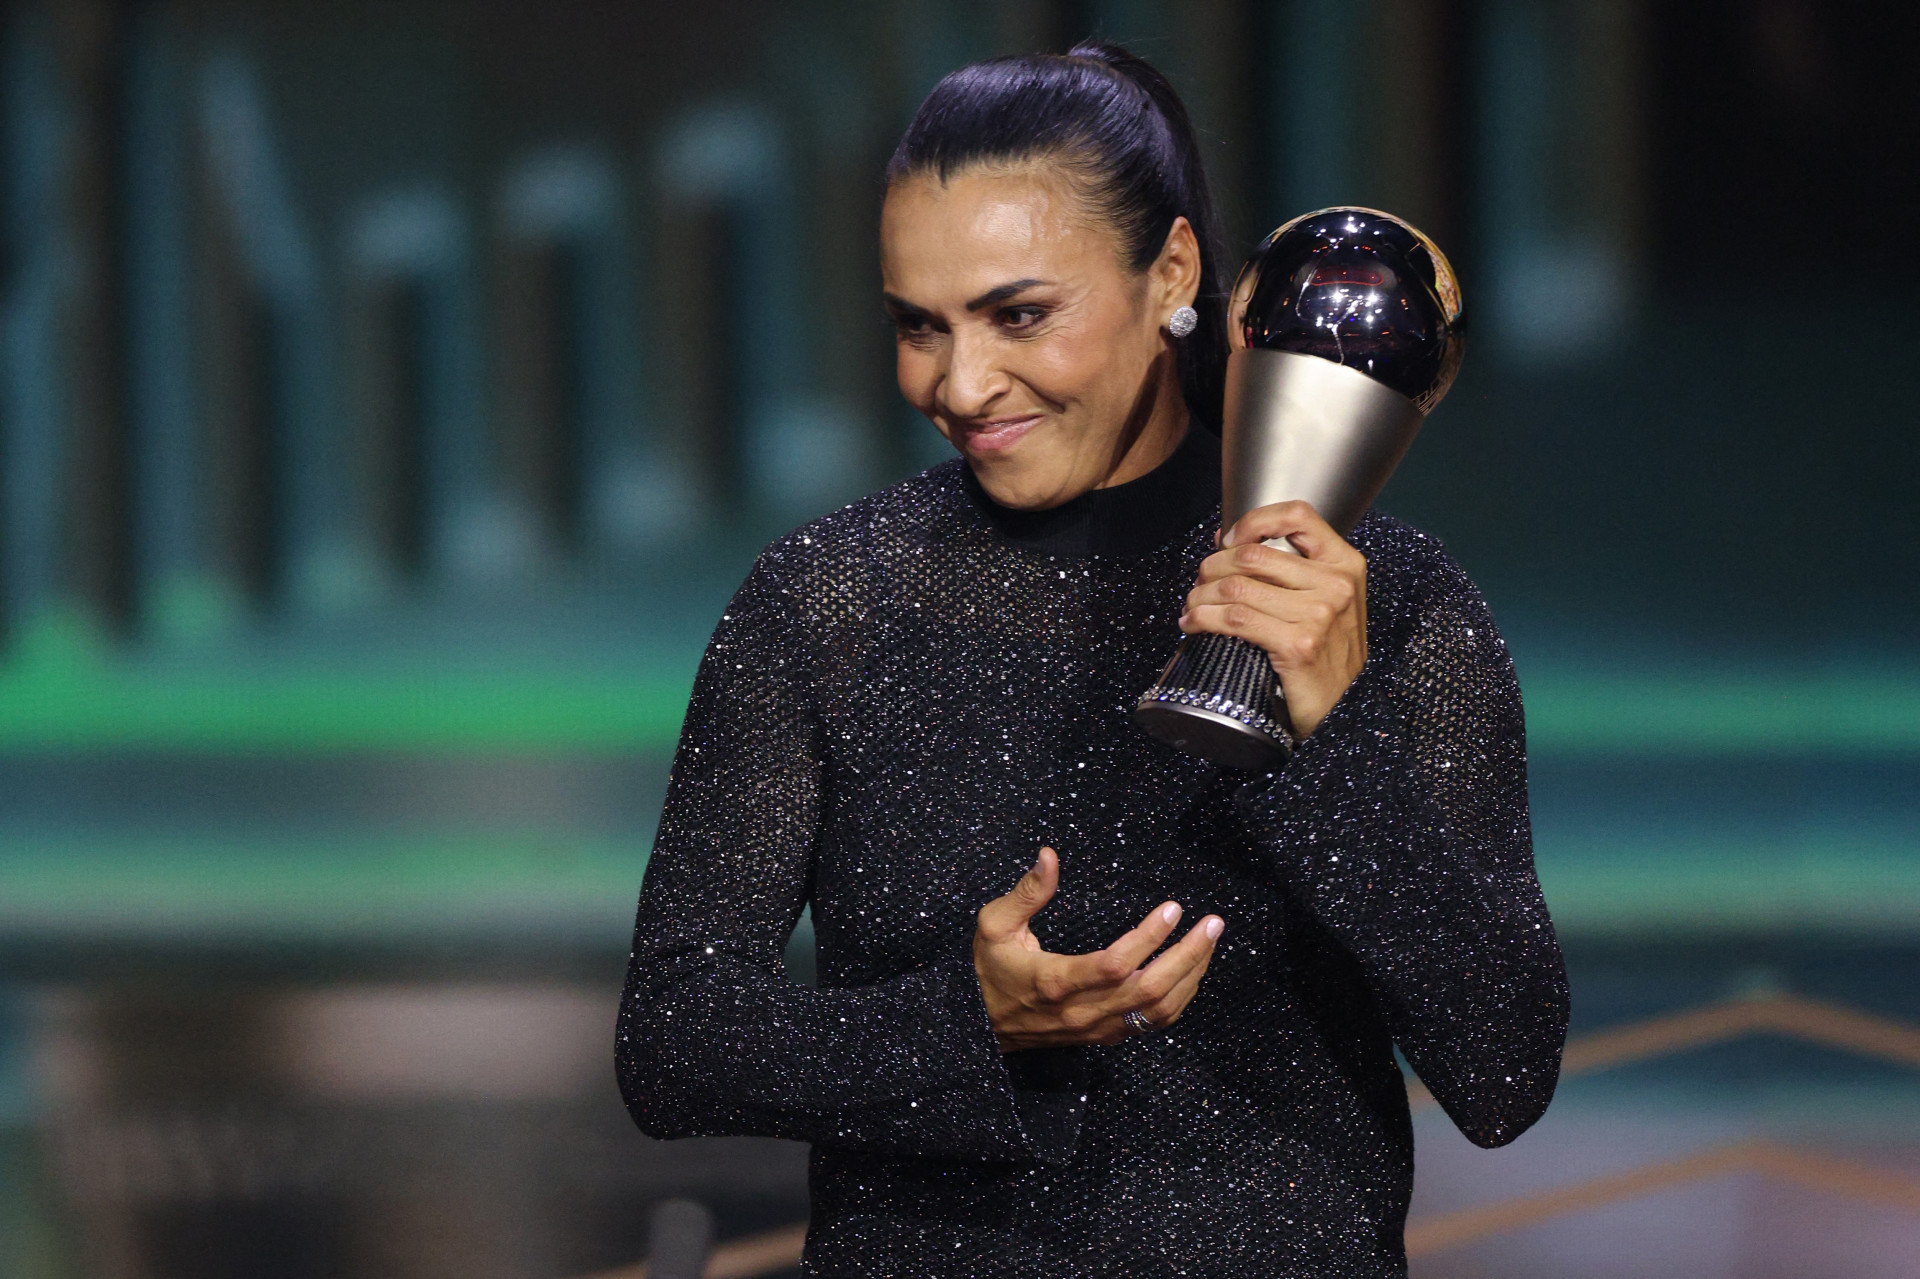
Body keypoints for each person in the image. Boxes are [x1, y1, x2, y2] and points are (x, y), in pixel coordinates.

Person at [617, 41, 1568, 1278]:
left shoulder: (1388, 605)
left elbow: (1503, 1071)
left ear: (1170, 271)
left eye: (1020, 314)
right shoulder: (827, 604)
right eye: (919, 325)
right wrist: (969, 1027)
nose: (960, 382)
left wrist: (1328, 745)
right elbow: (673, 1045)